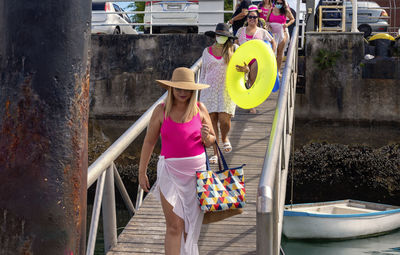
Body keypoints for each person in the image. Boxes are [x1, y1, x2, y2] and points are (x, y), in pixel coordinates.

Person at [138, 67, 216, 255]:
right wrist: (142, 171)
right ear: (171, 89)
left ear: (193, 90)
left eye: (187, 89)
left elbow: (213, 140)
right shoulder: (161, 110)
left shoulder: (200, 109)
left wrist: (208, 137)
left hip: (197, 176)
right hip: (170, 173)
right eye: (178, 88)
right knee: (174, 226)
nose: (183, 93)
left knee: (191, 228)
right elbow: (149, 141)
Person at [200, 23, 237, 164]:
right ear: (215, 36)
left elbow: (244, 66)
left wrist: (245, 71)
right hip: (208, 89)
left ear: (228, 38)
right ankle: (216, 152)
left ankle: (224, 138)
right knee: (211, 121)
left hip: (226, 90)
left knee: (224, 119)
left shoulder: (234, 49)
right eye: (218, 35)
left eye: (223, 36)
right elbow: (203, 72)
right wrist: (201, 89)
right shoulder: (206, 51)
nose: (220, 38)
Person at [235, 5, 277, 114]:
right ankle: (245, 102)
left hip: (255, 60)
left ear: (258, 19)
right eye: (250, 17)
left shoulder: (262, 31)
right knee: (244, 81)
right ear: (247, 19)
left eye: (254, 17)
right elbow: (235, 43)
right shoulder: (241, 30)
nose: (252, 19)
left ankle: (252, 105)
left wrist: (272, 54)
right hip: (242, 59)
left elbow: (273, 41)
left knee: (252, 81)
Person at [266, 0, 295, 75]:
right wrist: (268, 25)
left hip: (282, 33)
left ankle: (278, 71)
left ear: (283, 4)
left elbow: (292, 19)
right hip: (272, 34)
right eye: (277, 3)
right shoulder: (271, 10)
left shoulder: (285, 11)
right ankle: (271, 70)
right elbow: (267, 20)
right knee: (271, 52)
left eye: (280, 3)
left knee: (280, 52)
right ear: (274, 3)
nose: (279, 5)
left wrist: (287, 25)